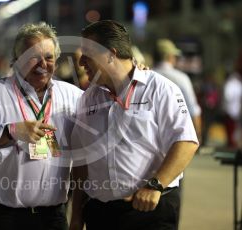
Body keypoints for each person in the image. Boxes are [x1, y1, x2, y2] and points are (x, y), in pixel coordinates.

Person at [69, 20, 199, 230]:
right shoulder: (89, 98)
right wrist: (76, 215)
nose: (81, 62)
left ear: (111, 54)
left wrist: (155, 185)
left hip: (149, 211)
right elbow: (82, 162)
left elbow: (186, 142)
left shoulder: (160, 89)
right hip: (100, 214)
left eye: (88, 54)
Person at [0, 22, 83, 230]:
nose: (42, 64)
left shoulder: (71, 95)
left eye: (49, 57)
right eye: (33, 57)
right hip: (3, 217)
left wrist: (135, 72)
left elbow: (106, 109)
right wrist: (11, 131)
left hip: (52, 217)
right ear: (17, 60)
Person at [154, 39, 202, 142]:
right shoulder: (181, 78)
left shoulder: (144, 75)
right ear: (170, 57)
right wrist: (198, 135)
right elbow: (193, 108)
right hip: (176, 137)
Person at [222, 50, 242, 147]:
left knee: (234, 128)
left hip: (235, 109)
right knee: (231, 128)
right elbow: (227, 96)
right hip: (231, 109)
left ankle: (232, 143)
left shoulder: (236, 82)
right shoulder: (232, 82)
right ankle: (231, 144)